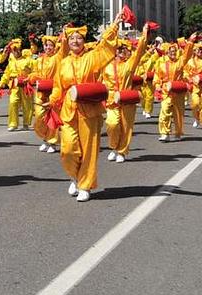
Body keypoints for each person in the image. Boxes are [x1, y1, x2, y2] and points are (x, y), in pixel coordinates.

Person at [48, 13, 123, 202]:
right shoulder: (63, 63)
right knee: (67, 148)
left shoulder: (92, 58)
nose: (75, 41)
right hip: (68, 110)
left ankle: (85, 185)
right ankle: (74, 176)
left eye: (79, 38)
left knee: (89, 149)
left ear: (84, 41)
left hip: (89, 110)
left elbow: (106, 46)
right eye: (72, 38)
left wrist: (114, 25)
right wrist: (52, 99)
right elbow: (58, 86)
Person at [104, 27, 151, 162]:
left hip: (126, 99)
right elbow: (103, 82)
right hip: (112, 101)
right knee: (112, 124)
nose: (120, 51)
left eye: (124, 49)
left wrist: (144, 35)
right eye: (118, 49)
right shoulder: (107, 66)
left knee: (125, 126)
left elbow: (140, 51)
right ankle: (113, 147)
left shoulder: (130, 64)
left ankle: (122, 152)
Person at [155, 36, 197, 142]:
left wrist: (191, 42)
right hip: (166, 92)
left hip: (178, 92)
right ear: (167, 53)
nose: (173, 53)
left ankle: (178, 132)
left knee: (178, 113)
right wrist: (157, 86)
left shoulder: (180, 62)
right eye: (171, 51)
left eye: (174, 51)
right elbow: (157, 76)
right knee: (164, 111)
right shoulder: (162, 65)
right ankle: (165, 133)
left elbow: (187, 54)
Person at [33, 34, 66, 153]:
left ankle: (52, 142)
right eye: (46, 45)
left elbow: (64, 48)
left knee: (52, 117)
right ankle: (45, 138)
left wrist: (64, 35)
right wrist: (31, 78)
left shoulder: (58, 58)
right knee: (39, 117)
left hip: (53, 92)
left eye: (50, 45)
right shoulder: (39, 60)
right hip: (41, 92)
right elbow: (35, 73)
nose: (48, 48)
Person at [0, 39, 34, 131]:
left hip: (26, 85)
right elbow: (7, 73)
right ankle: (13, 123)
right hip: (14, 85)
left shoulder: (28, 60)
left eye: (17, 49)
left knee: (27, 105)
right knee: (13, 102)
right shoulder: (11, 61)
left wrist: (29, 78)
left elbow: (35, 71)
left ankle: (26, 123)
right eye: (13, 50)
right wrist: (1, 84)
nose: (16, 52)